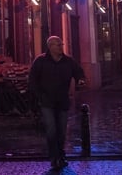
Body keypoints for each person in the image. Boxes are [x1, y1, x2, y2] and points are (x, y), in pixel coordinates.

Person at [28, 35, 86, 171]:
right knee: (51, 130)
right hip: (47, 101)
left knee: (61, 131)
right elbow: (32, 79)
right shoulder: (40, 61)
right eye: (58, 45)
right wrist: (38, 95)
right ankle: (54, 157)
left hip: (62, 101)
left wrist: (81, 79)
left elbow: (78, 72)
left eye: (61, 44)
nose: (61, 47)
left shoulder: (68, 61)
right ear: (50, 47)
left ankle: (61, 155)